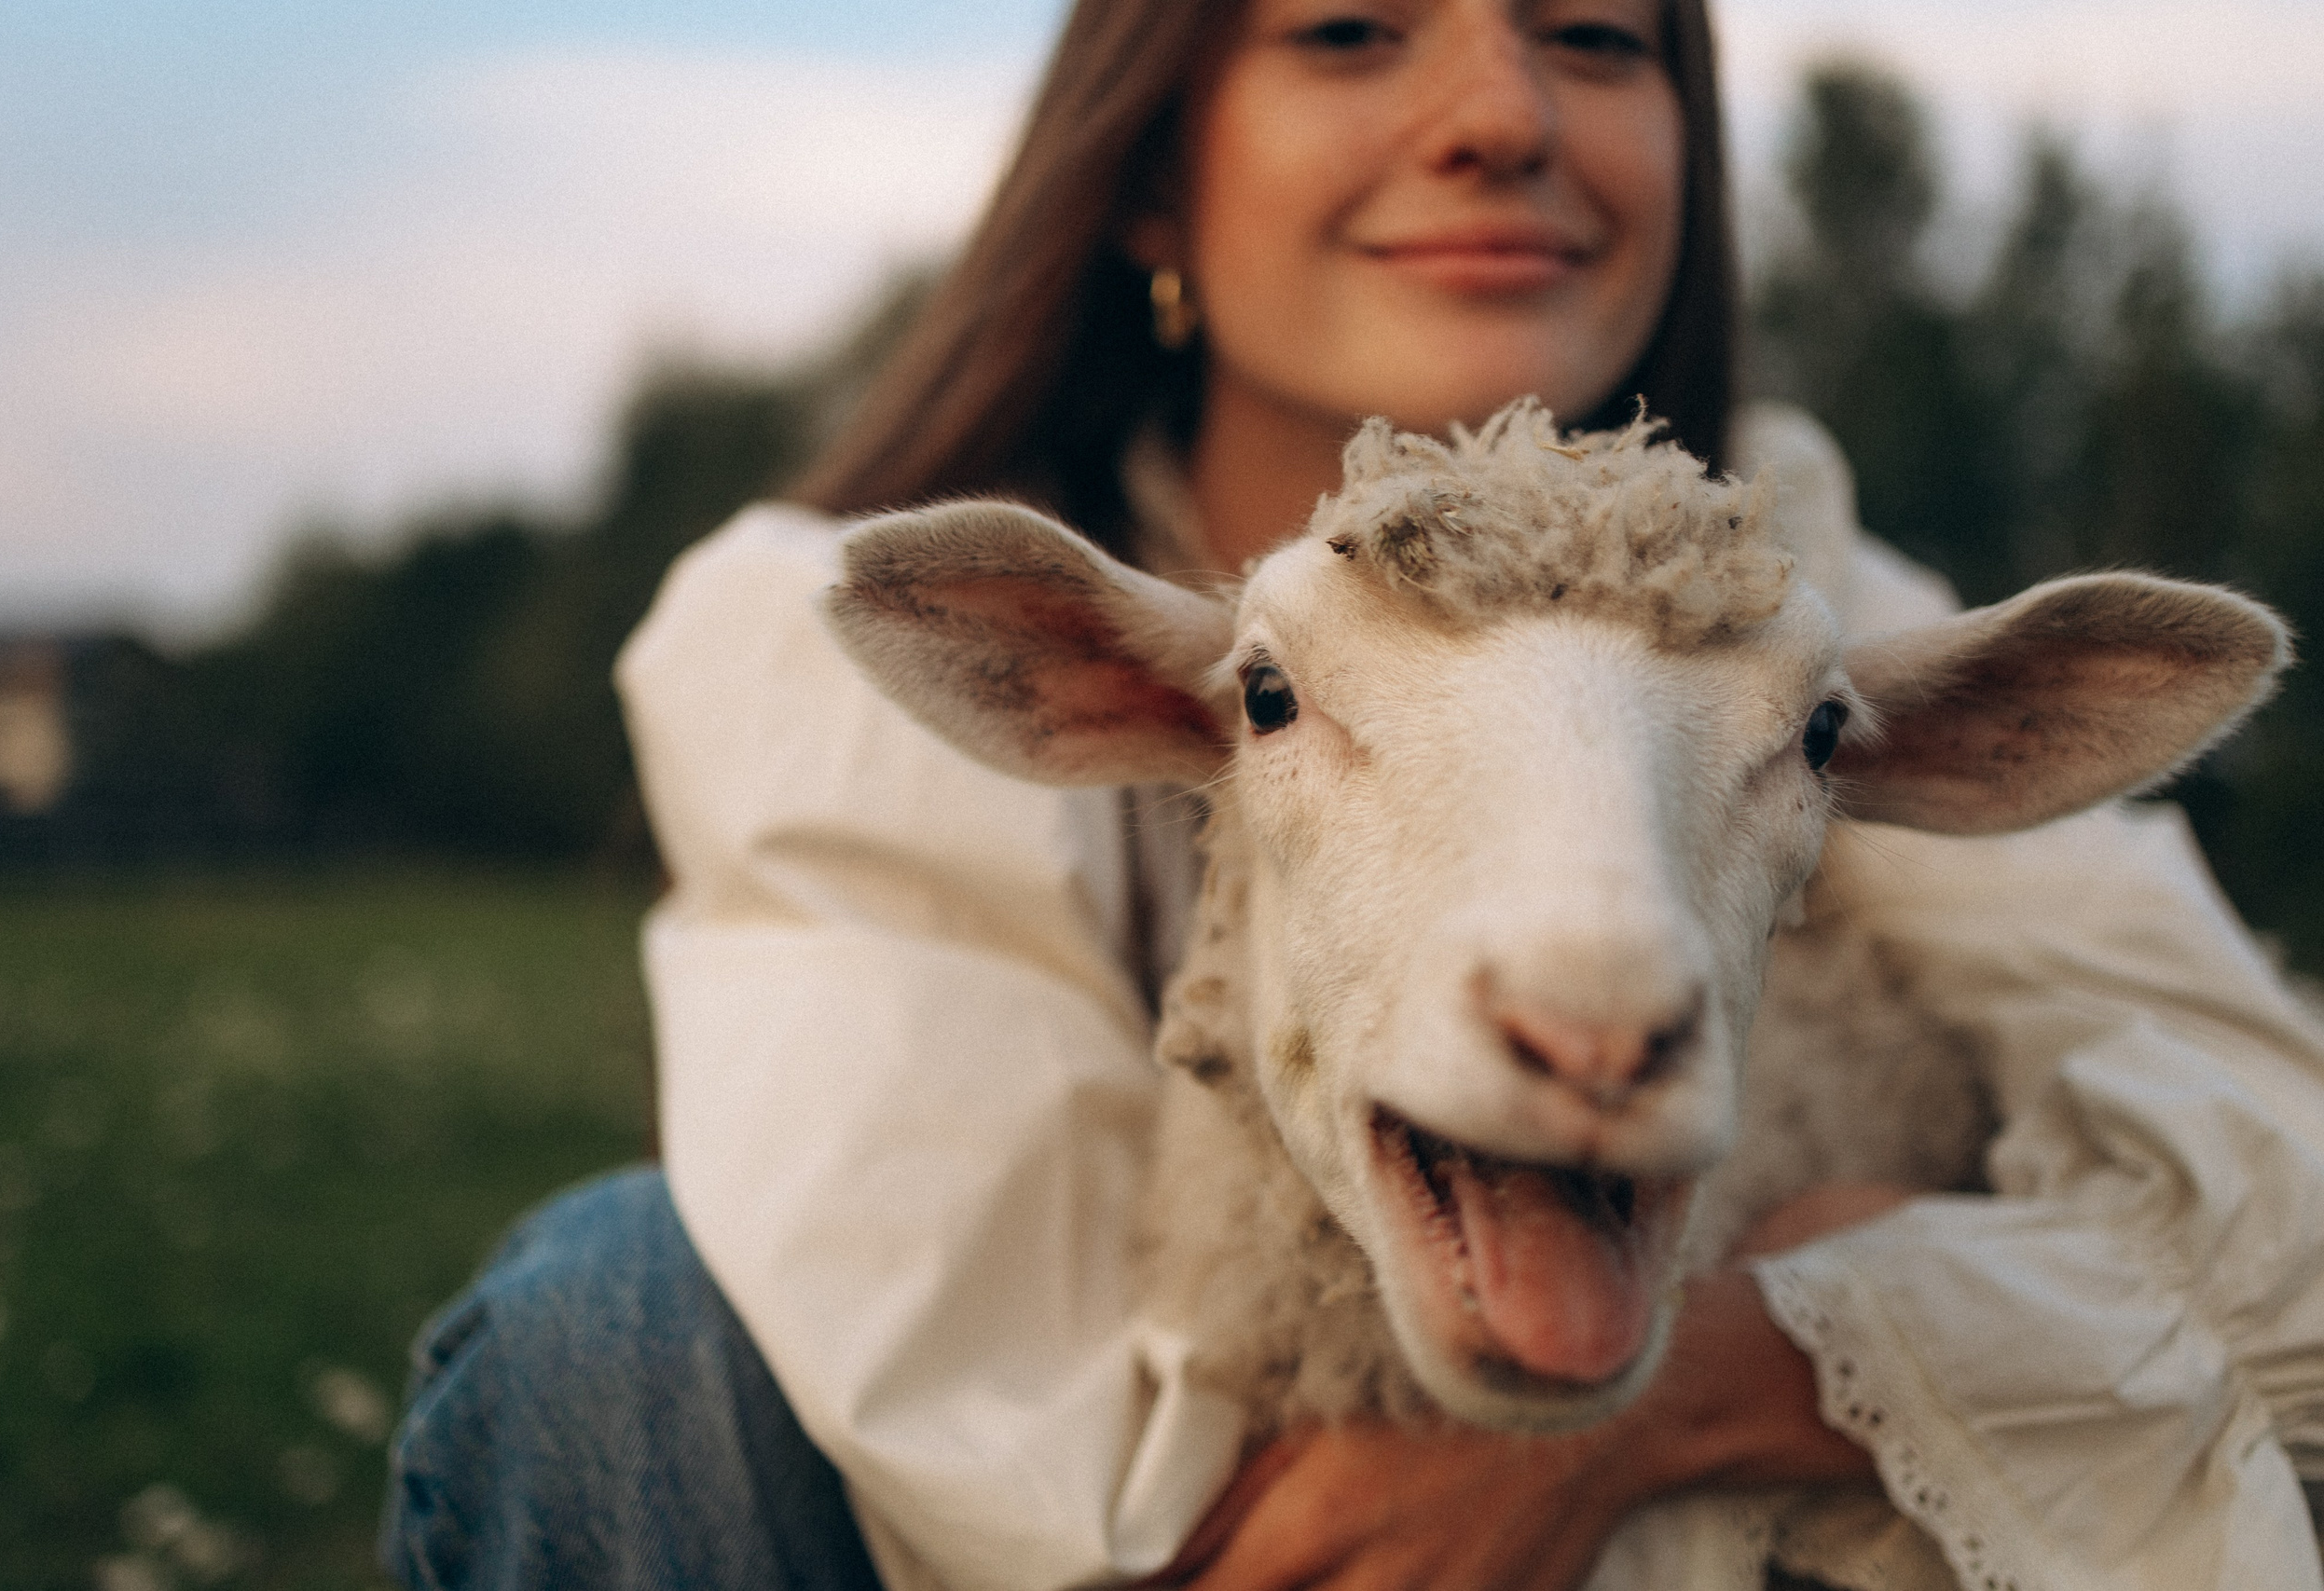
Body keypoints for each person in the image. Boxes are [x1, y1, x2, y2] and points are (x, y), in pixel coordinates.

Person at [381, 1, 2324, 1588]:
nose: (1495, 110)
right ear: (1148, 173)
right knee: (619, 1310)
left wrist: (1724, 1365)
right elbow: (1021, 1468)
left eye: (1590, 35)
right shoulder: (844, 634)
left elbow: (2291, 1201)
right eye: (1348, 30)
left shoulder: (1779, 587)